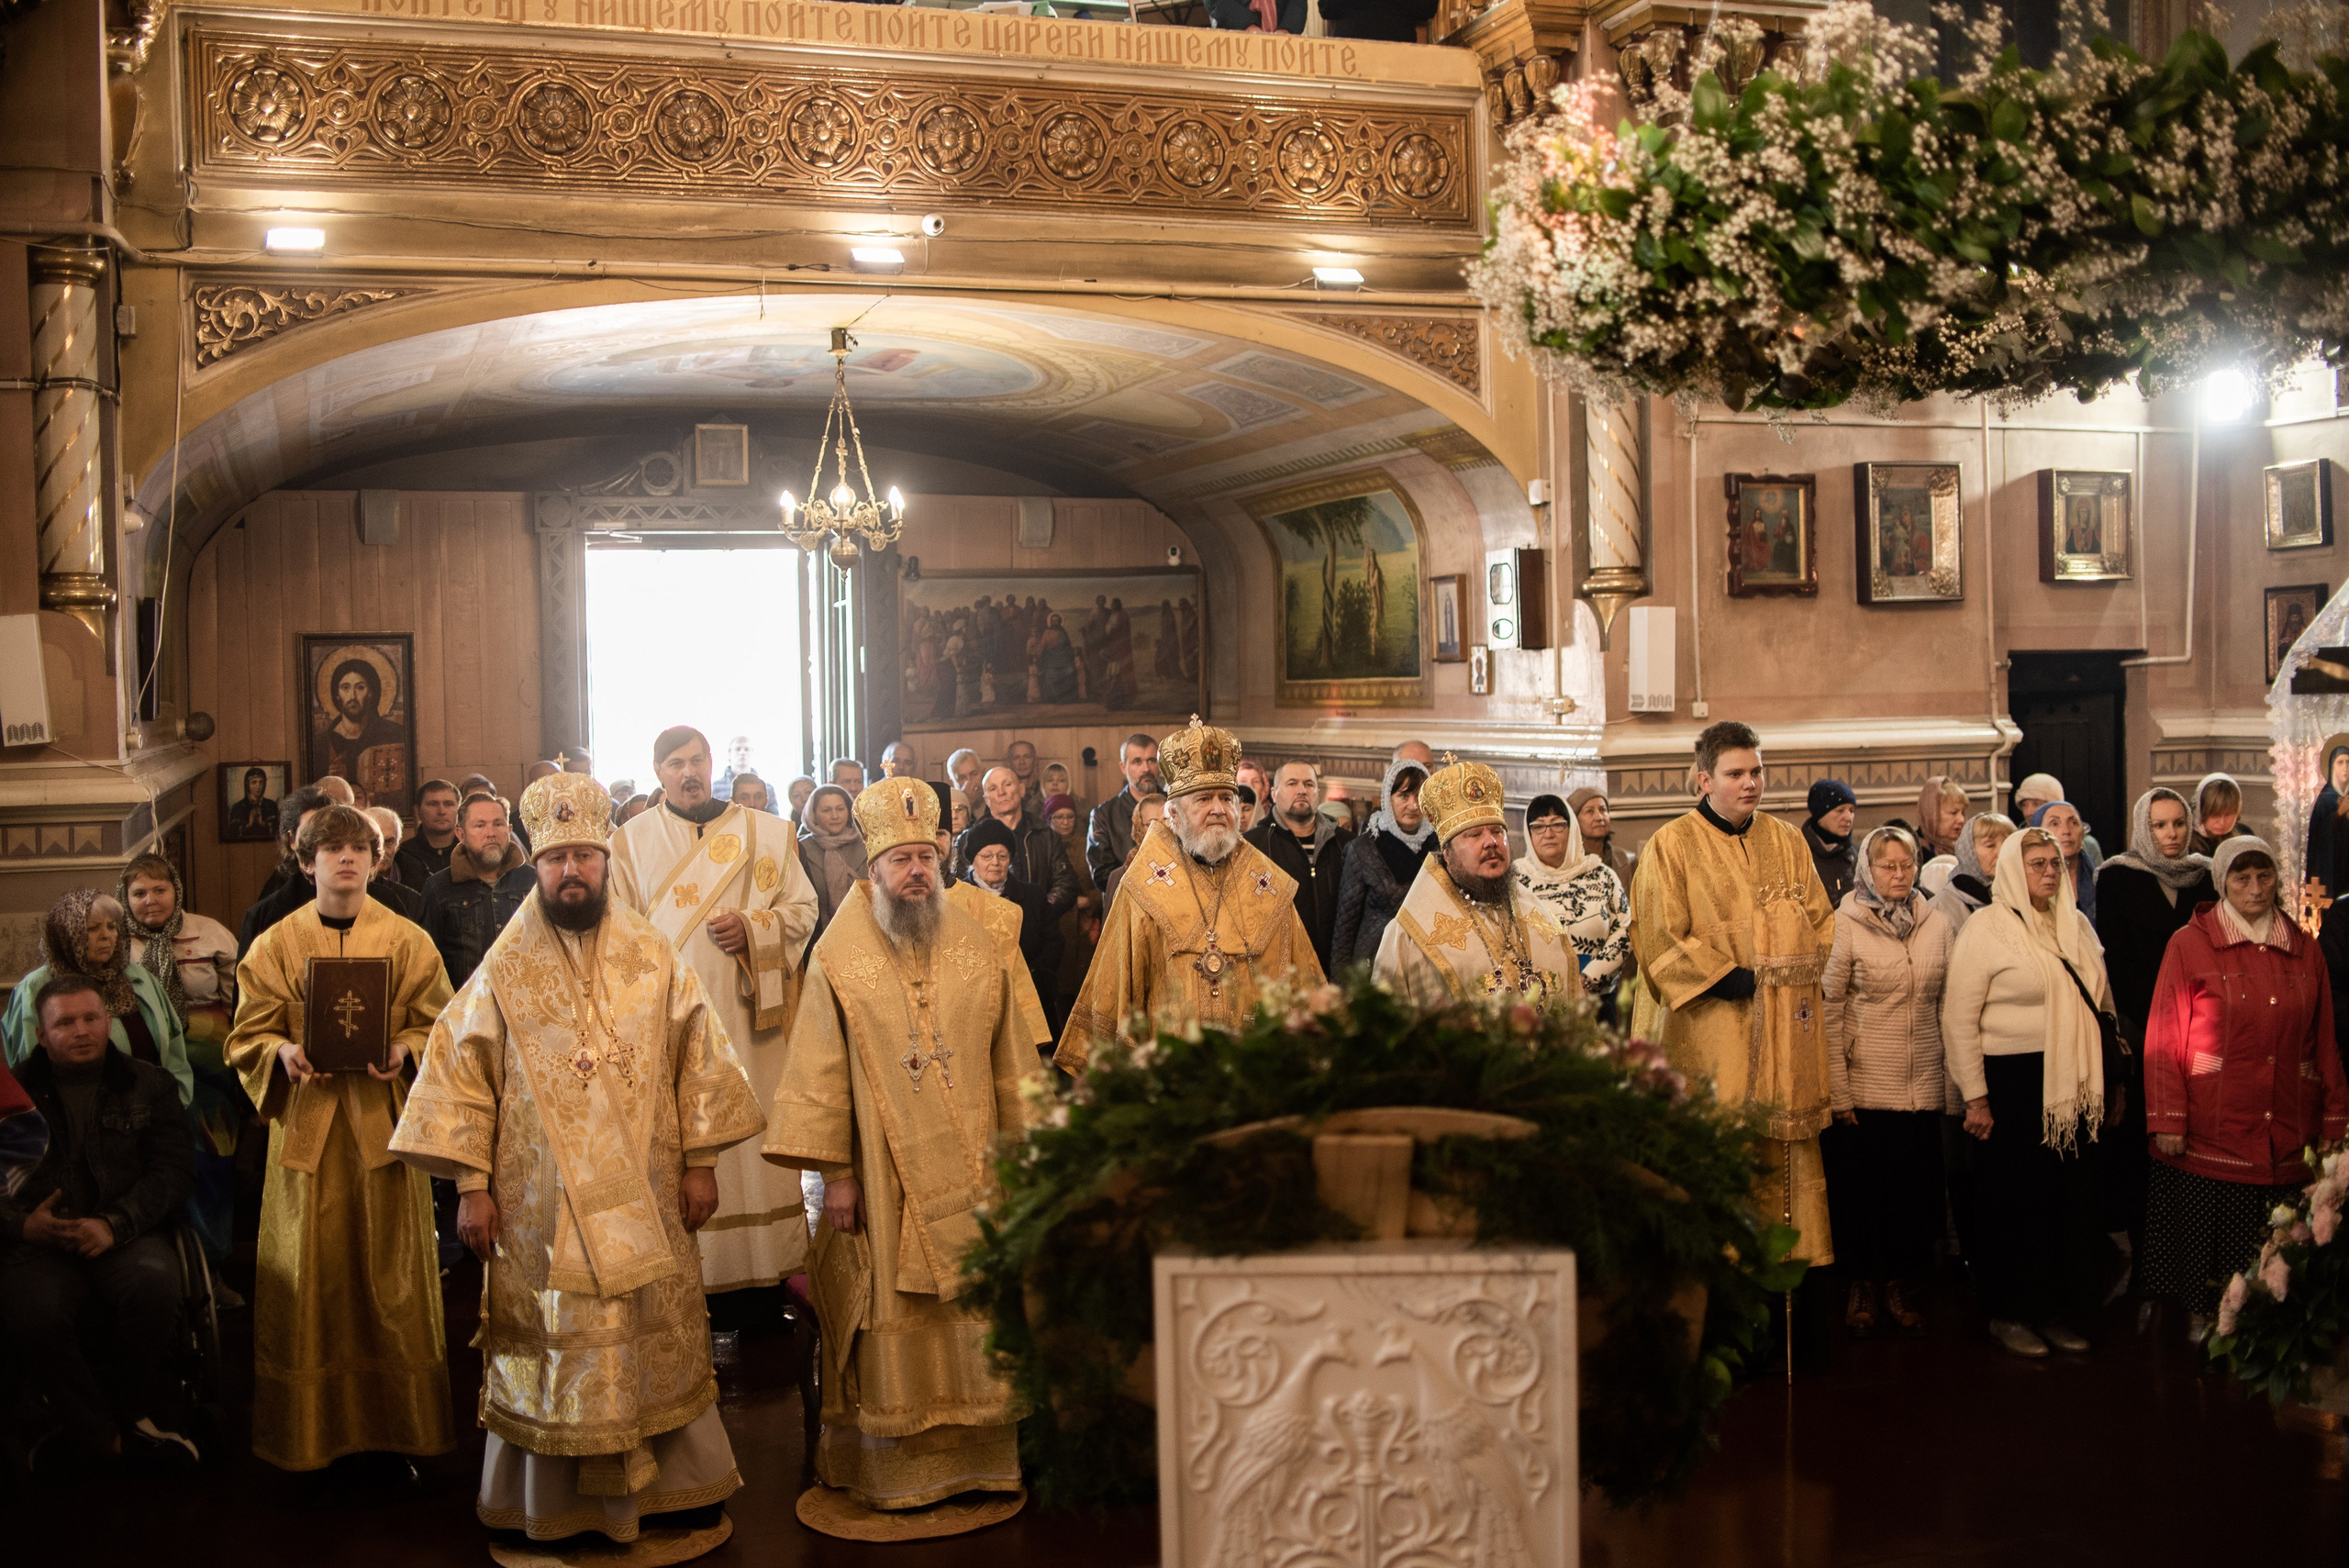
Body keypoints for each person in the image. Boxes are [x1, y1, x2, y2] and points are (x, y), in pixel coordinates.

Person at [391, 774, 767, 1551]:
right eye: (558, 856)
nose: (572, 871)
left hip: (651, 1190)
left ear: (605, 862)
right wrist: (470, 1185)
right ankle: (550, 1500)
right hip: (538, 1208)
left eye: (586, 857)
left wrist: (701, 1161)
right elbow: (461, 1072)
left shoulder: (650, 950)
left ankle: (672, 1488)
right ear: (538, 863)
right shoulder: (506, 963)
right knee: (557, 1343)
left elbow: (699, 1054)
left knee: (650, 1338)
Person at [761, 776, 1037, 1512]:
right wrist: (837, 1177)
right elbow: (819, 1074)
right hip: (881, 1181)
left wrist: (1027, 1152)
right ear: (871, 869)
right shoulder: (838, 955)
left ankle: (982, 1461)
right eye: (900, 859)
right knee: (893, 1306)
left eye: (926, 855)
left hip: (980, 1166)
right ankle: (895, 1469)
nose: (916, 870)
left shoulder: (982, 942)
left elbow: (1014, 1058)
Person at [224, 803, 458, 1468]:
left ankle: (400, 1434)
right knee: (312, 1279)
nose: (347, 858)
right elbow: (246, 1035)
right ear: (306, 862)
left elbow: (442, 1025)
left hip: (384, 1132)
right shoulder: (276, 944)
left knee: (391, 1278)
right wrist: (281, 1054)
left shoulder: (409, 939)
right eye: (331, 850)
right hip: (307, 1133)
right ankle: (310, 1439)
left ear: (379, 860)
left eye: (360, 848)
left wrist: (406, 1049)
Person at [610, 725, 818, 1299]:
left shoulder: (769, 835)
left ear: (711, 763)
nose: (688, 772)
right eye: (675, 763)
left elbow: (803, 908)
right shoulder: (628, 844)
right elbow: (617, 939)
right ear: (659, 773)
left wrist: (756, 929)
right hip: (667, 1030)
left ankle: (763, 1278)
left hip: (750, 1025)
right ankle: (690, 1278)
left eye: (697, 760)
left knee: (752, 1150)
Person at [1631, 721, 1838, 1265]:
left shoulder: (1788, 840)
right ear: (1704, 780)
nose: (1750, 784)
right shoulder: (1669, 847)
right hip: (1709, 1035)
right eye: (1736, 774)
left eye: (1757, 771)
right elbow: (1659, 939)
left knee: (1779, 1166)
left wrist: (1787, 974)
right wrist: (1744, 980)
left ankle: (1785, 1278)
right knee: (1721, 1154)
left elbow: (1821, 922)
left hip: (1782, 1040)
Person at [2142, 837, 2349, 1340]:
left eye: (2264, 877)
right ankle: (2205, 1314)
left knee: (2273, 1235)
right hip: (2216, 1118)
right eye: (2242, 878)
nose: (2255, 888)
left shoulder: (2303, 947)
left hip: (2287, 1116)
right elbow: (2165, 1034)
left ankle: (2260, 1323)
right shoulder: (2188, 945)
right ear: (2221, 883)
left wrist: (2335, 1118)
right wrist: (2168, 1119)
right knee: (2212, 1226)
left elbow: (2324, 1040)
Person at [0, 974, 200, 1473]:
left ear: (108, 1022)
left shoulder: (150, 1083)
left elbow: (174, 1171)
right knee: (30, 1311)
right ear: (42, 1034)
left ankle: (129, 1410)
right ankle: (99, 1433)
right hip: (42, 1240)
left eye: (91, 1018)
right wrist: (24, 1226)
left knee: (154, 1286)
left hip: (127, 1232)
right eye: (65, 1022)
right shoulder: (13, 1094)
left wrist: (114, 1224)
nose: (82, 1029)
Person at [1941, 825, 2117, 1358]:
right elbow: (1957, 1018)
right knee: (2015, 1205)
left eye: (2054, 864)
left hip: (2073, 1081)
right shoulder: (1987, 928)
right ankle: (2010, 1312)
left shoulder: (2076, 923)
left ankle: (2055, 1309)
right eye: (2035, 863)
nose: (2047, 872)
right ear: (2014, 869)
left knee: (2067, 1200)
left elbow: (2102, 1001)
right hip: (2012, 1084)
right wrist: (1975, 1096)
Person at [1059, 720, 1324, 1072]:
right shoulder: (1141, 889)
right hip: (1169, 1079)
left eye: (1226, 798)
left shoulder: (1270, 888)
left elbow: (1307, 994)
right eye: (1204, 799)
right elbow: (1114, 1000)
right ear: (1175, 812)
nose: (1218, 809)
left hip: (1254, 1074)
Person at [1820, 828, 1954, 1337]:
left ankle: (1898, 1287)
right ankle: (1861, 1287)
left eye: (1906, 865)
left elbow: (1947, 1005)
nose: (1899, 875)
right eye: (1887, 866)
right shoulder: (1845, 924)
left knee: (1911, 1199)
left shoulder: (1936, 924)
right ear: (1867, 871)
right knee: (1863, 1198)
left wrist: (1952, 1086)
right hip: (1865, 1085)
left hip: (1921, 1083)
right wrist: (1838, 1091)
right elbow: (1829, 1013)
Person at [2094, 788, 2216, 1281]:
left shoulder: (2204, 875)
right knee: (2147, 1147)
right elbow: (2117, 960)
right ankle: (2148, 1261)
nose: (2171, 834)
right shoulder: (2118, 875)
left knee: (2199, 1142)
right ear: (2146, 827)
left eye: (2178, 824)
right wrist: (2155, 1022)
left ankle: (2196, 1259)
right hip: (2144, 1026)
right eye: (2161, 825)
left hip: (2202, 1028)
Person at [115, 854, 242, 1281]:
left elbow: (241, 1007)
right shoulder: (113, 942)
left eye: (160, 890)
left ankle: (212, 1266)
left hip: (210, 1075)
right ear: (125, 897)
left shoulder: (210, 935)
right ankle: (164, 1269)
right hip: (142, 1070)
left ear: (177, 891)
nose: (150, 901)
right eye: (139, 893)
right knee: (153, 1164)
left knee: (211, 1163)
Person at [1375, 761, 1581, 1007]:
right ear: (1447, 854)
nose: (1491, 842)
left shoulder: (1538, 915)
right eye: (1474, 835)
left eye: (1497, 831)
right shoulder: (1409, 934)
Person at [3, 890, 195, 1112]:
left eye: (112, 927)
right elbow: (32, 1071)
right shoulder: (37, 988)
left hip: (153, 1119)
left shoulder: (138, 978)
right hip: (75, 1123)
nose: (106, 936)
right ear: (67, 933)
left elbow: (175, 1054)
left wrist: (174, 1106)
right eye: (93, 928)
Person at [945, 807, 1056, 1054]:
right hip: (974, 1003)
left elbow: (1053, 943)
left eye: (1002, 855)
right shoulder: (955, 900)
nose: (995, 862)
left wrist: (1034, 975)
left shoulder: (1033, 896)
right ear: (973, 859)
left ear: (1010, 859)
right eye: (986, 856)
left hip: (1030, 996)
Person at [420, 791, 537, 988]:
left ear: (509, 830)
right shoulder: (439, 888)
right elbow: (427, 962)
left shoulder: (532, 881)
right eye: (480, 825)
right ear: (461, 834)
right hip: (465, 1008)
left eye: (498, 824)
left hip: (526, 1002)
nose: (490, 833)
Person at [1246, 760, 1353, 974]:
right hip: (1279, 973)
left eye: (1309, 784)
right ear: (1274, 794)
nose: (1302, 790)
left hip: (1337, 970)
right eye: (1292, 784)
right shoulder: (1253, 846)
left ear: (1318, 792)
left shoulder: (1346, 844)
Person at [1330, 759, 1432, 973]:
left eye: (1420, 796)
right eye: (1404, 795)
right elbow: (1344, 929)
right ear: (1388, 797)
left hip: (1427, 962)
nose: (1414, 805)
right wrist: (1342, 987)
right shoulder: (1363, 849)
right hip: (1376, 963)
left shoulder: (1439, 846)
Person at [965, 766, 1078, 921]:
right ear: (986, 799)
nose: (1001, 792)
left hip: (1038, 927)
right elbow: (962, 890)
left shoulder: (1045, 834)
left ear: (1022, 790)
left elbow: (1066, 884)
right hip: (985, 929)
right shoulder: (969, 839)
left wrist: (1038, 911)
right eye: (993, 788)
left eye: (1007, 784)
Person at [239, 784, 331, 951]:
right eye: (311, 835)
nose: (321, 845)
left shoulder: (382, 899)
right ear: (291, 840)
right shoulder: (264, 914)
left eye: (329, 834)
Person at [310, 655, 407, 806]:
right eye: (345, 688)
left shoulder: (393, 734)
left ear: (371, 693)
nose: (353, 696)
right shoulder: (321, 743)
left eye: (360, 687)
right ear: (337, 695)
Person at [1044, 790, 1100, 1036]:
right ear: (1048, 820)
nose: (1065, 822)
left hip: (1087, 929)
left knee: (1086, 997)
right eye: (1058, 817)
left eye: (1069, 817)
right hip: (1058, 929)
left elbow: (1103, 883)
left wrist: (1090, 900)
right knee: (1060, 1001)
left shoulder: (1086, 844)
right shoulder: (1045, 847)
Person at [1085, 731, 1163, 888]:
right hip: (1124, 903)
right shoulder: (1103, 815)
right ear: (1123, 767)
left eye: (1151, 760)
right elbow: (1102, 876)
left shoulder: (1176, 807)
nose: (1146, 768)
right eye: (1137, 762)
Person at [1932, 812, 2017, 936]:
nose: (2001, 852)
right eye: (1990, 845)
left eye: (2007, 844)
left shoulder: (2021, 895)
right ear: (1968, 851)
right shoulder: (1939, 909)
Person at [800, 784, 867, 939]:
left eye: (840, 809)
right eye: (826, 810)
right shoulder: (801, 849)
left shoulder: (866, 844)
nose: (835, 816)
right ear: (813, 814)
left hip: (865, 933)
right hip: (817, 937)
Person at [2030, 799, 2100, 921]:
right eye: (2055, 823)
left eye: (2074, 822)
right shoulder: (2029, 882)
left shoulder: (2100, 880)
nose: (2066, 831)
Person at [1100, 793, 1168, 911]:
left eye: (1166, 820)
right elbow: (1112, 926)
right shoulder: (1121, 875)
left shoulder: (1190, 865)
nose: (1160, 827)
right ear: (1139, 828)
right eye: (1151, 823)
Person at [363, 806, 428, 923]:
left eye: (389, 842)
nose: (381, 851)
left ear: (398, 843)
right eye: (374, 842)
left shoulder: (423, 884)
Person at [1803, 779, 1861, 909]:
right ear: (1820, 815)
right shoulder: (1800, 856)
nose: (1848, 818)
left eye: (1852, 811)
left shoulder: (1859, 855)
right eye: (1840, 810)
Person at [397, 779, 462, 887]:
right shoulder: (403, 855)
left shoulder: (471, 852)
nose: (441, 811)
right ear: (418, 811)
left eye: (448, 804)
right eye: (433, 804)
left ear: (459, 810)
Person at [2189, 773, 2247, 859]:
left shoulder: (2245, 834)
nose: (2222, 822)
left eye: (2228, 814)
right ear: (2200, 811)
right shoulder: (2186, 843)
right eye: (2215, 815)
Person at [1915, 776, 1969, 862]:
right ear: (1932, 814)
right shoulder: (1913, 853)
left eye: (1962, 813)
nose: (1962, 820)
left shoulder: (1968, 850)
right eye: (1953, 812)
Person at [227, 765, 279, 840]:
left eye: (261, 782)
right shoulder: (238, 807)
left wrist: (263, 824)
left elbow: (279, 831)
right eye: (254, 782)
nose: (258, 786)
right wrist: (248, 825)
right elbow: (231, 833)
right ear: (247, 785)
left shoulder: (272, 805)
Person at [1005, 739, 1046, 817]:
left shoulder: (1047, 791)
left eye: (1027, 757)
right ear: (1009, 762)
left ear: (1036, 761)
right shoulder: (1002, 793)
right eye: (1016, 758)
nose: (1022, 762)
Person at [715, 734, 755, 802]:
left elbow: (773, 813)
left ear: (752, 753)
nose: (742, 753)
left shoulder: (767, 789)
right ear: (729, 754)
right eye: (738, 749)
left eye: (746, 749)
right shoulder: (715, 788)